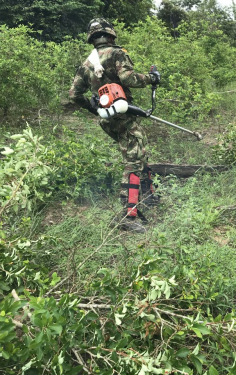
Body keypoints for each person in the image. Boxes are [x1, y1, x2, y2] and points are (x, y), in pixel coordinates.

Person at [69, 18, 160, 234]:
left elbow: (74, 95)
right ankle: (129, 215)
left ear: (91, 38)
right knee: (134, 160)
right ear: (111, 34)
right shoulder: (117, 53)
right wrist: (151, 78)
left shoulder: (87, 63)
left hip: (107, 118)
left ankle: (148, 196)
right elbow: (128, 78)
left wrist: (93, 108)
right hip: (122, 116)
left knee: (138, 153)